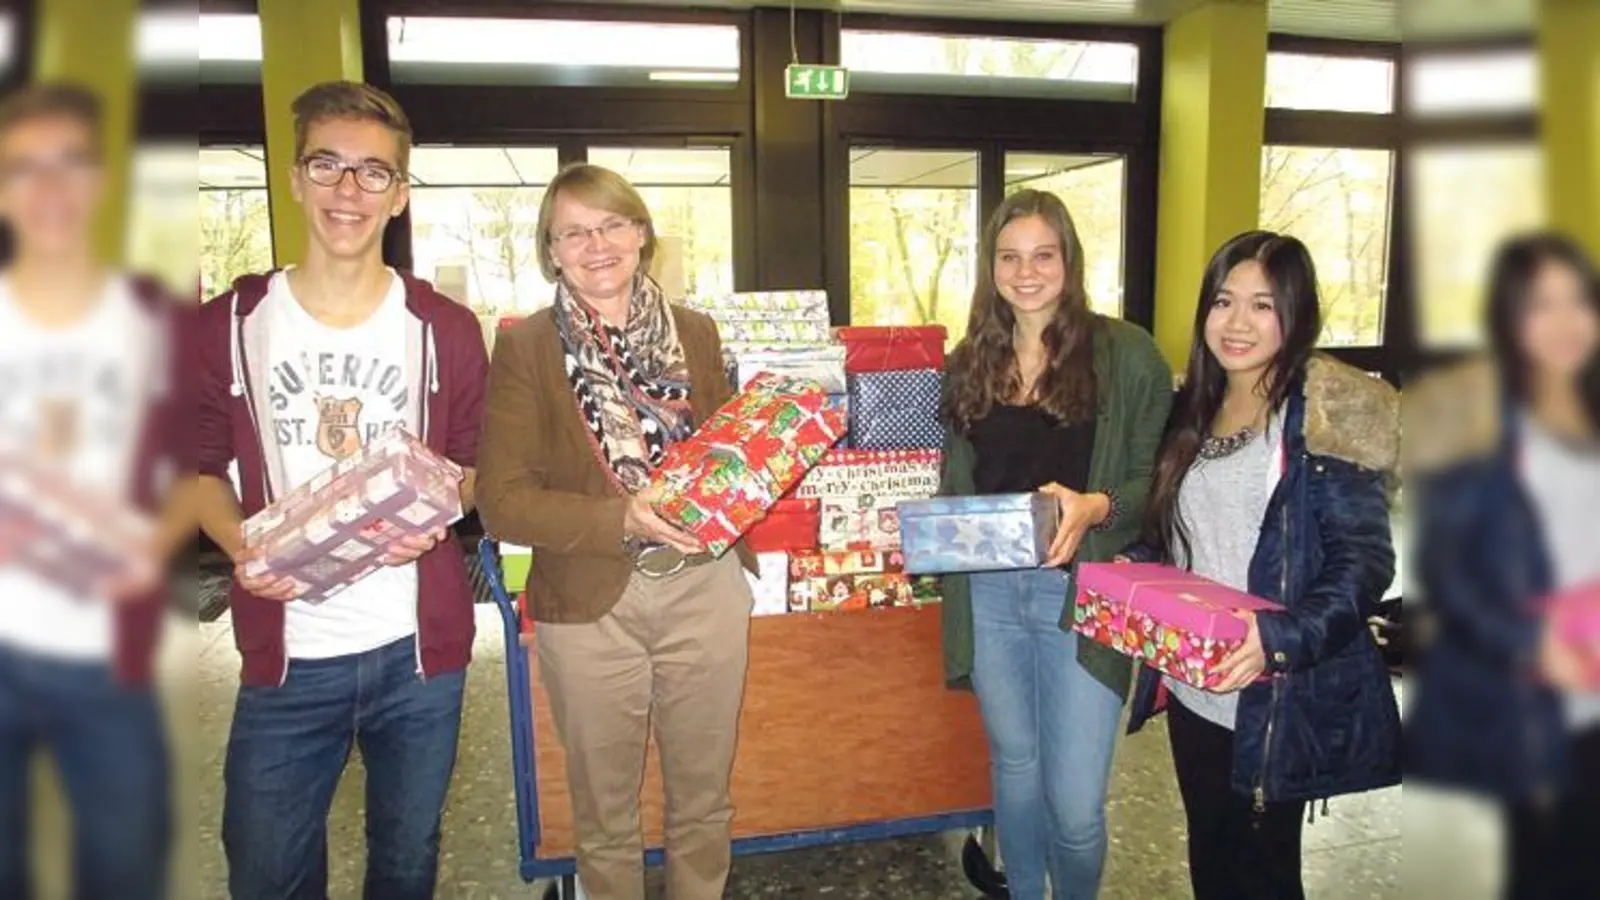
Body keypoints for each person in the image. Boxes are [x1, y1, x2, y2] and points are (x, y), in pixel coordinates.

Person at [193, 80, 488, 900]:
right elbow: (194, 464)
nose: (347, 190)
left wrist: (438, 513)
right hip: (289, 656)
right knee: (267, 872)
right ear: (295, 178)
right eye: (327, 165)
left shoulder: (446, 330)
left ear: (399, 194)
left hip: (417, 655)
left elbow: (471, 467)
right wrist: (242, 544)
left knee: (405, 864)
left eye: (372, 172)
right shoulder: (228, 325)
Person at [475, 163, 756, 900]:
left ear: (640, 233)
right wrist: (620, 517)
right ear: (552, 250)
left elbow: (725, 454)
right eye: (574, 232)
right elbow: (501, 502)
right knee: (604, 815)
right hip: (590, 603)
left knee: (705, 800)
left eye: (611, 225)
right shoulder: (527, 347)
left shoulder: (695, 332)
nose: (596, 245)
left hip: (704, 587)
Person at [1121, 231, 1402, 900]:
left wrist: (1278, 638)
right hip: (1193, 685)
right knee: (1211, 859)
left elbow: (1365, 562)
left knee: (1264, 875)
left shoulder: (1324, 414)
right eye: (1223, 302)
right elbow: (1177, 534)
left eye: (1263, 305)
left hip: (1272, 693)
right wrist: (1133, 573)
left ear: (1295, 315)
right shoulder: (1192, 406)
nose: (1237, 323)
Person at [937, 188, 1172, 900]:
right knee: (1014, 768)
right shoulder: (968, 362)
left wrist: (1099, 506)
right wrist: (925, 530)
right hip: (989, 594)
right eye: (1009, 257)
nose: (1026, 272)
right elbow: (959, 483)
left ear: (1070, 259)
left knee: (1074, 805)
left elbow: (1157, 481)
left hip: (1081, 597)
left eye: (1043, 255)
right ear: (990, 267)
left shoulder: (1125, 354)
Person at [0, 81, 185, 900]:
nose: (48, 187)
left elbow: (196, 464)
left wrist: (156, 541)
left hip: (107, 654)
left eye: (68, 163)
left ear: (101, 179)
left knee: (124, 867)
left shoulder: (152, 320)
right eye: (24, 167)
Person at [1406, 233, 1600, 900]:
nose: (1566, 322)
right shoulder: (1476, 427)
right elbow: (1448, 575)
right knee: (1554, 871)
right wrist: (1531, 643)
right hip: (1544, 704)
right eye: (1541, 305)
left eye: (1578, 301)